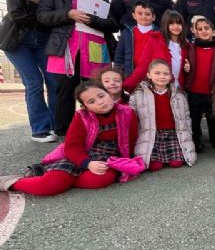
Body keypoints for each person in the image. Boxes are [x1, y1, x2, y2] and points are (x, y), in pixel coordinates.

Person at [1, 82, 139, 196]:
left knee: (103, 179)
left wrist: (129, 160)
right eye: (92, 101)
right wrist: (88, 164)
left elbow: (132, 139)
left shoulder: (127, 112)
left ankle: (58, 179)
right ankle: (11, 182)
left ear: (109, 94)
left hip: (108, 158)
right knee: (46, 187)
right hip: (81, 156)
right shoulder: (82, 118)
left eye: (101, 96)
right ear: (85, 107)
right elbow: (72, 147)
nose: (100, 102)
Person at [37, 0, 118, 137]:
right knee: (64, 91)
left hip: (95, 48)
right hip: (66, 47)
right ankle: (65, 132)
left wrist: (93, 20)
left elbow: (113, 24)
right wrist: (68, 14)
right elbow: (42, 16)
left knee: (95, 91)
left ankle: (99, 130)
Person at [1, 0, 61, 142]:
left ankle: (56, 125)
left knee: (54, 82)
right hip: (19, 40)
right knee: (34, 82)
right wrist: (48, 20)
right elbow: (16, 14)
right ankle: (40, 130)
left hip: (44, 40)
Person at [129, 59, 196, 171]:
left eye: (166, 74)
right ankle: (157, 158)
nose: (162, 76)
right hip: (152, 134)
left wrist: (188, 133)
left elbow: (186, 116)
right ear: (149, 75)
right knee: (154, 166)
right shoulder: (139, 94)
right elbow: (132, 117)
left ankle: (171, 156)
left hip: (174, 134)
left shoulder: (178, 94)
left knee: (177, 163)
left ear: (170, 77)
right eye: (157, 73)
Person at [183, 16, 215, 152]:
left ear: (213, 32)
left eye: (207, 28)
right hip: (194, 90)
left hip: (212, 91)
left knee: (213, 117)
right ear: (194, 32)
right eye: (200, 29)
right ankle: (197, 141)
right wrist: (186, 69)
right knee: (195, 118)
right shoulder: (189, 48)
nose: (203, 31)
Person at [114, 2, 172, 93]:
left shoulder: (159, 34)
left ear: (153, 17)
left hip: (153, 76)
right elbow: (119, 55)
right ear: (134, 15)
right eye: (140, 13)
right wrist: (118, 73)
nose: (144, 16)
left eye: (147, 14)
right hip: (131, 74)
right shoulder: (127, 32)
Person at [159, 10, 189, 89]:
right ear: (166, 25)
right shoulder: (160, 43)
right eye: (172, 23)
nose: (176, 26)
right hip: (164, 86)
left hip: (179, 87)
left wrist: (188, 68)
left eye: (179, 23)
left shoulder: (186, 45)